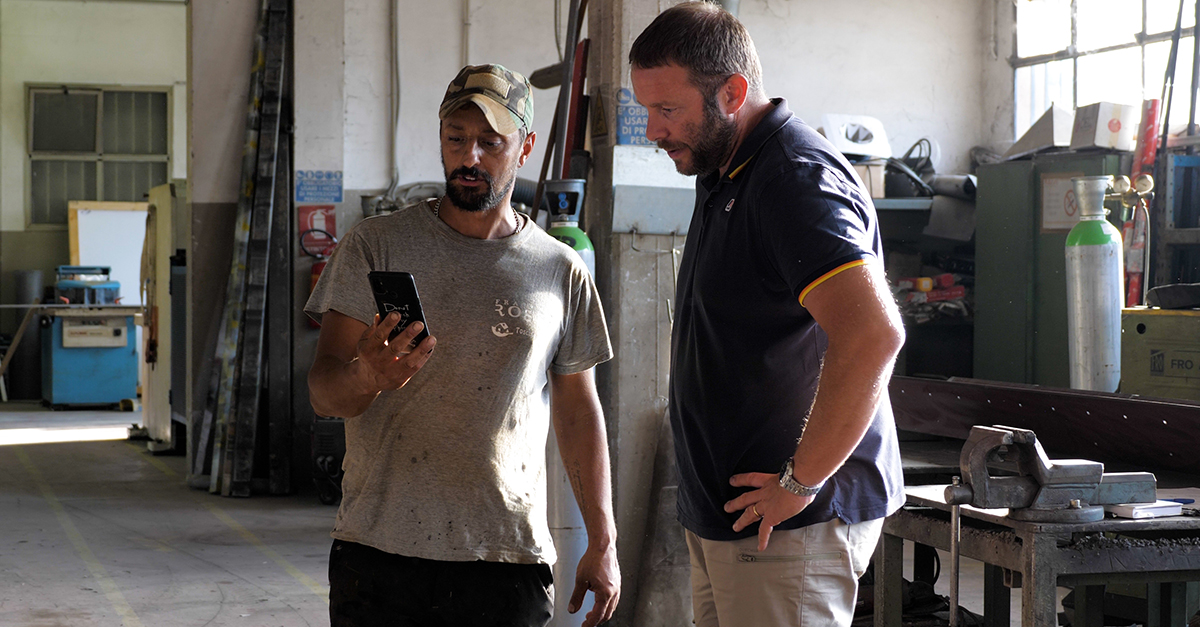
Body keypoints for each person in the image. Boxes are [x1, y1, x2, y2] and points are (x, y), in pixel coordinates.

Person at [306, 64, 620, 627]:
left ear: (524, 148)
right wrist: (368, 376)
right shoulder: (375, 245)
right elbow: (325, 394)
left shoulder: (559, 268)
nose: (469, 157)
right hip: (379, 552)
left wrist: (603, 538)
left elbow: (578, 409)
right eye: (456, 139)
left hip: (505, 556)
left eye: (490, 142)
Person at [629, 4, 906, 626]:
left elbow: (872, 335)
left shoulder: (793, 179)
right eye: (646, 109)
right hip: (737, 521)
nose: (652, 130)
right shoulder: (727, 167)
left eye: (667, 110)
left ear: (732, 92)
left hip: (790, 524)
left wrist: (800, 483)